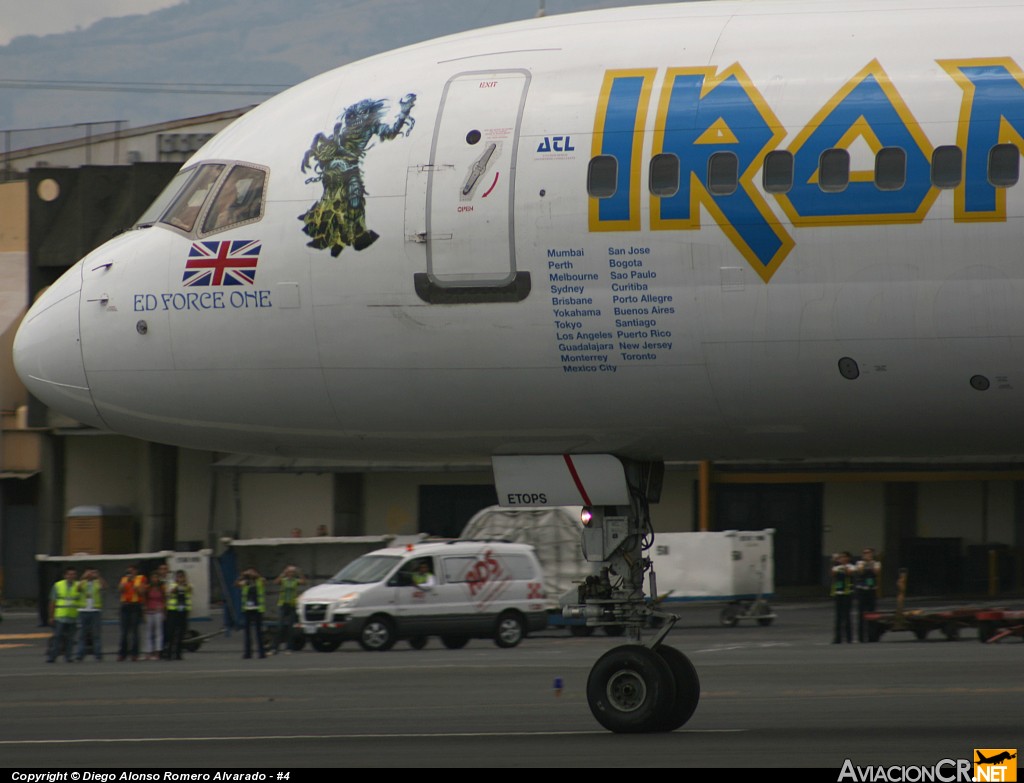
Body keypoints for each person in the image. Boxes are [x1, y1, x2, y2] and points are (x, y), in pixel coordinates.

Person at [47, 566, 80, 663]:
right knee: (57, 637)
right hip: (60, 616)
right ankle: (52, 656)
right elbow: (52, 602)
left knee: (70, 638)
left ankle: (68, 657)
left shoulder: (78, 585)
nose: (71, 576)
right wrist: (51, 616)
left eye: (73, 574)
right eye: (69, 574)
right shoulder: (58, 585)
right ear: (65, 575)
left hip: (72, 616)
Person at [273, 565, 306, 654]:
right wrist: (283, 573)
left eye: (292, 572)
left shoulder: (295, 581)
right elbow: (276, 582)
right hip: (283, 604)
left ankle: (289, 648)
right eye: (289, 572)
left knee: (290, 628)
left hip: (291, 605)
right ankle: (275, 648)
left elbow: (303, 582)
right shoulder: (284, 581)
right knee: (280, 627)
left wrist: (299, 573)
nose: (291, 574)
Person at [76, 567, 107, 662]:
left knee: (96, 634)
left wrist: (98, 577)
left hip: (95, 610)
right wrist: (83, 577)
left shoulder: (97, 583)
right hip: (83, 610)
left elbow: (105, 586)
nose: (91, 574)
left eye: (92, 572)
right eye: (89, 572)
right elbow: (78, 589)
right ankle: (80, 654)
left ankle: (98, 654)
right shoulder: (81, 582)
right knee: (82, 634)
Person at [118, 564, 147, 661]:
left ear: (136, 571)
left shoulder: (141, 579)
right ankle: (123, 653)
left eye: (131, 571)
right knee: (124, 632)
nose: (130, 573)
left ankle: (135, 653)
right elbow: (120, 590)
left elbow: (142, 592)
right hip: (125, 605)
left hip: (135, 606)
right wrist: (125, 583)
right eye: (128, 571)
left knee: (134, 631)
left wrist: (134, 583)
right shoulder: (124, 579)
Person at [236, 566, 267, 659]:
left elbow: (263, 581)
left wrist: (256, 575)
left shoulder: (259, 581)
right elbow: (236, 584)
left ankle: (261, 653)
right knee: (247, 633)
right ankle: (248, 653)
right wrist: (243, 575)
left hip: (258, 609)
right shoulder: (245, 583)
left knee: (258, 632)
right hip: (247, 609)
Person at [855, 548, 882, 643]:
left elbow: (876, 572)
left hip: (871, 590)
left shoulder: (876, 563)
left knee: (872, 613)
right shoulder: (859, 563)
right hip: (862, 590)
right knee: (861, 613)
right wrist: (866, 563)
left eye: (869, 553)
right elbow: (860, 571)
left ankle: (872, 636)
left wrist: (870, 563)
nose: (867, 555)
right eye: (865, 553)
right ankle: (861, 637)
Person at [165, 570, 192, 660]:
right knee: (171, 633)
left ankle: (178, 653)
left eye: (182, 577)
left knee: (181, 633)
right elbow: (170, 592)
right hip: (173, 611)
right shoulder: (172, 585)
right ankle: (169, 653)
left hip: (183, 611)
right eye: (179, 577)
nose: (181, 579)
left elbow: (190, 590)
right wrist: (177, 585)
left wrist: (183, 585)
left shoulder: (187, 586)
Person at [831, 552, 855, 644]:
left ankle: (849, 638)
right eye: (841, 557)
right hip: (838, 592)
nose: (842, 558)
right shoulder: (836, 567)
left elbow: (850, 573)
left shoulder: (851, 566)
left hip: (847, 593)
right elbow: (833, 573)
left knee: (847, 616)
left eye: (844, 557)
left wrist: (843, 566)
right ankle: (838, 638)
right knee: (838, 617)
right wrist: (835, 563)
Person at [142, 569, 167, 661]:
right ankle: (148, 652)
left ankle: (157, 652)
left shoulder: (161, 588)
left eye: (156, 577)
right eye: (153, 577)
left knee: (158, 632)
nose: (154, 579)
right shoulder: (148, 588)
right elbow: (144, 600)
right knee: (148, 632)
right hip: (149, 611)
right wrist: (144, 611)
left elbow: (164, 599)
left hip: (158, 611)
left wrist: (164, 611)